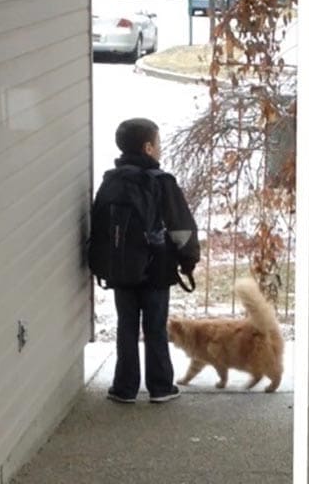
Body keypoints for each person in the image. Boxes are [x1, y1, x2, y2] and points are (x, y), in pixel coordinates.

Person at [100, 118, 200, 403]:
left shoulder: (111, 180)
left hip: (120, 272)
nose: (160, 149)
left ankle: (124, 388)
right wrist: (188, 260)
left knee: (126, 327)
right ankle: (160, 387)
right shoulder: (161, 182)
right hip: (156, 268)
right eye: (158, 144)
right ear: (147, 148)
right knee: (155, 327)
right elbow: (181, 226)